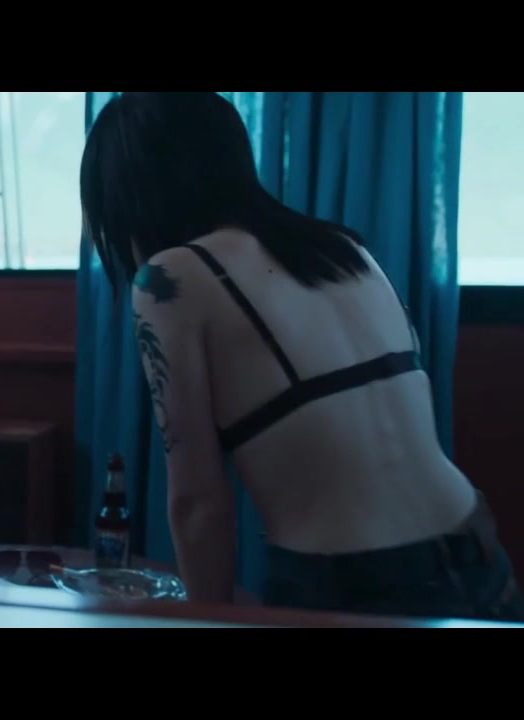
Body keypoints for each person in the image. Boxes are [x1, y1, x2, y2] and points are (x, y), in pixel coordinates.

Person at [78, 92, 523, 622]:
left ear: (131, 196)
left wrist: (208, 621)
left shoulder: (170, 279)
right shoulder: (343, 248)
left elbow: (199, 503)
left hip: (354, 581)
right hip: (474, 546)